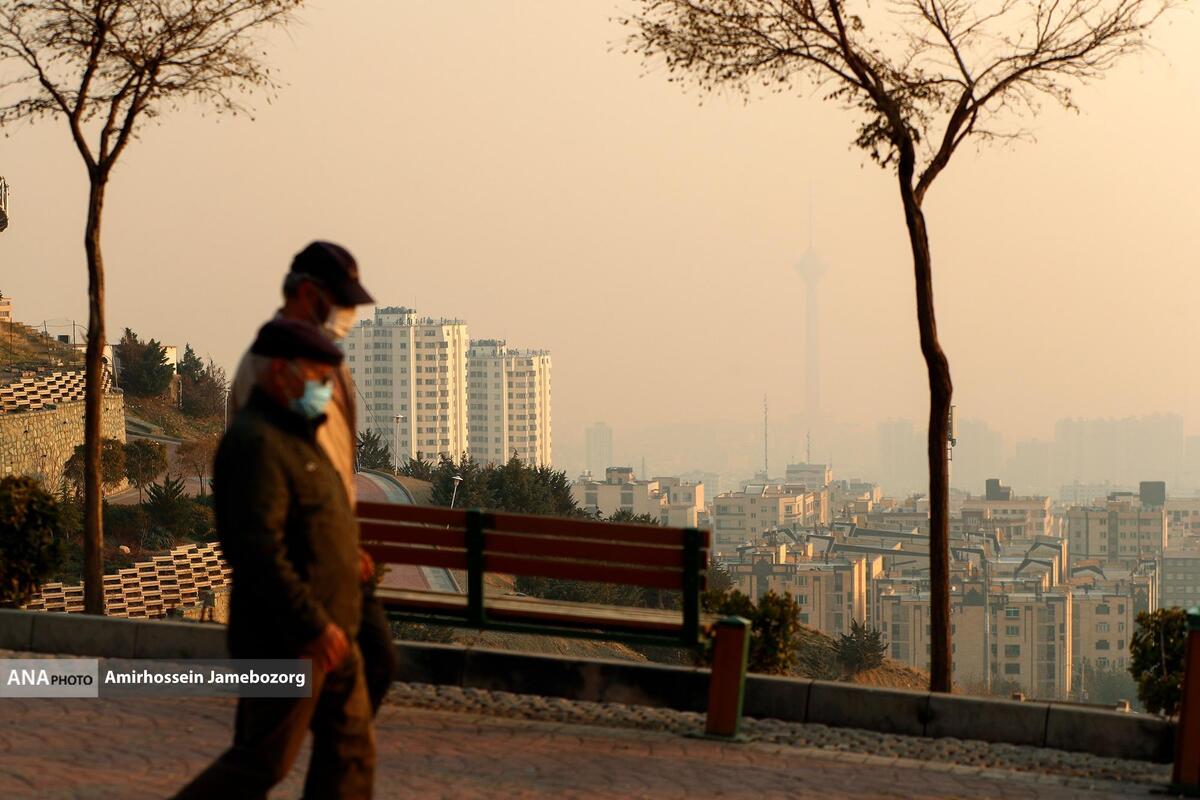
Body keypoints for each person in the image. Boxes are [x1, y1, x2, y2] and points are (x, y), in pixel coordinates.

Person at [174, 319, 374, 799]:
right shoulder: (256, 443)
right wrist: (310, 624)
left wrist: (349, 556)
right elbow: (257, 548)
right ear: (282, 372)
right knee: (262, 761)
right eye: (318, 376)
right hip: (289, 635)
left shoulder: (298, 436)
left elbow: (311, 520)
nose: (325, 388)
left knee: (349, 750)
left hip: (333, 628)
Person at [230, 241, 398, 713]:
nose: (348, 314)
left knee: (374, 671)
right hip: (301, 572)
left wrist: (348, 543)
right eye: (341, 302)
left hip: (335, 559)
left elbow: (334, 469)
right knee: (266, 749)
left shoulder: (331, 364)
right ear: (308, 294)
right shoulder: (269, 367)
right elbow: (266, 487)